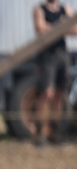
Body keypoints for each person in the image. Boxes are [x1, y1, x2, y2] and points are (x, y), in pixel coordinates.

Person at [32, 0, 77, 144]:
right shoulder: (39, 9)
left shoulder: (65, 9)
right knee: (47, 93)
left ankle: (54, 132)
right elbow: (39, 28)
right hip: (47, 55)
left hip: (62, 53)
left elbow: (75, 29)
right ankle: (39, 133)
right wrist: (62, 27)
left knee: (59, 93)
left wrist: (52, 28)